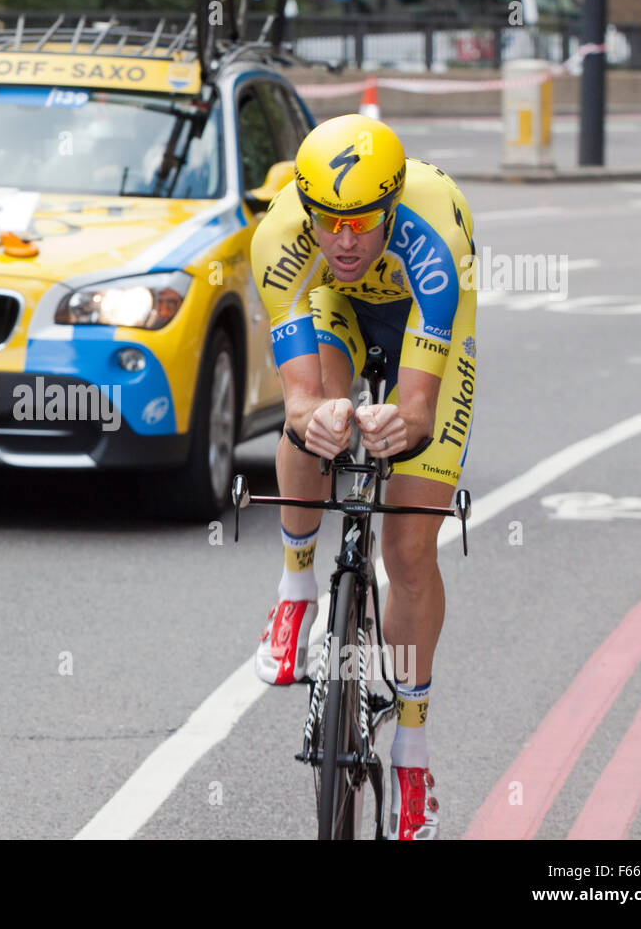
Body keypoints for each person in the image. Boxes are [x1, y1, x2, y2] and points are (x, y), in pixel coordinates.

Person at [248, 113, 478, 840]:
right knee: (313, 427)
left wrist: (401, 426)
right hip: (336, 311)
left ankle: (411, 756)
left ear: (391, 206)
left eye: (362, 223)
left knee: (408, 549)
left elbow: (416, 412)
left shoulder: (432, 241)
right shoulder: (281, 241)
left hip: (423, 314)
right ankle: (295, 590)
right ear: (308, 210)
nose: (344, 241)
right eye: (329, 223)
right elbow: (299, 396)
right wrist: (318, 415)